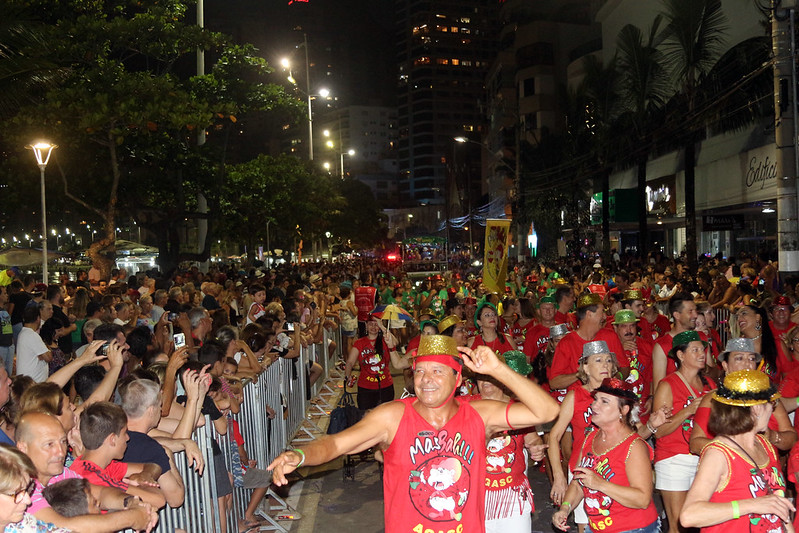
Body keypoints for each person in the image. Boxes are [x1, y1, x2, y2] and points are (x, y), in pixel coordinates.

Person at [268, 335, 560, 533]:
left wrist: (498, 369)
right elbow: (336, 444)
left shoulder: (480, 414)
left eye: (437, 372)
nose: (426, 380)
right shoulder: (392, 416)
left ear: (458, 379)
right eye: (420, 372)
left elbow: (546, 412)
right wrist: (300, 455)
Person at [681, 370, 794, 533]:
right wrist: (752, 505)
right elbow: (689, 516)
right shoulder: (718, 453)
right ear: (756, 409)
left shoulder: (764, 444)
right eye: (771, 404)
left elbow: (779, 509)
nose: (772, 410)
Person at [552, 378, 659, 533]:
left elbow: (642, 499)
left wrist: (600, 484)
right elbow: (578, 483)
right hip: (597, 527)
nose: (594, 405)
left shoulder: (634, 446)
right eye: (595, 399)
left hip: (633, 529)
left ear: (624, 410)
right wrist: (565, 509)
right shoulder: (591, 437)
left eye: (604, 402)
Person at [548, 340, 618, 533]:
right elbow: (553, 437)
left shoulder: (620, 393)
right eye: (598, 360)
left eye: (608, 360)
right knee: (587, 527)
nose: (605, 365)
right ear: (585, 367)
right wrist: (559, 476)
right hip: (582, 472)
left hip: (615, 469)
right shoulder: (575, 396)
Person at [652, 330, 716, 533]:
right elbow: (659, 431)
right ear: (680, 355)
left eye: (703, 350)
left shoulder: (710, 384)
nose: (702, 354)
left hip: (704, 459)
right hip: (674, 459)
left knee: (705, 523)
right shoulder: (667, 385)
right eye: (695, 350)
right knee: (679, 525)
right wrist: (689, 410)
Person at [475, 350, 545, 533]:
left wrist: (536, 446)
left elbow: (532, 438)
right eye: (480, 377)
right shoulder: (465, 406)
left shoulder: (517, 409)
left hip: (512, 497)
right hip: (476, 495)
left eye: (490, 376)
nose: (485, 382)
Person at [690, 338, 796, 455]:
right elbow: (695, 443)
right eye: (739, 358)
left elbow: (791, 437)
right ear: (725, 365)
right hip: (732, 468)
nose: (747, 363)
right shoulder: (713, 399)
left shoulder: (768, 397)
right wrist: (735, 450)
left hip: (767, 468)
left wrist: (772, 436)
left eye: (751, 358)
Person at [345, 315, 406, 409]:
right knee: (365, 416)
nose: (373, 327)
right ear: (366, 325)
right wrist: (347, 376)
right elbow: (350, 362)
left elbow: (395, 343)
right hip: (365, 387)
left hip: (385, 385)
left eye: (376, 324)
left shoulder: (385, 340)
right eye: (370, 324)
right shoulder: (359, 343)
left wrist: (382, 326)